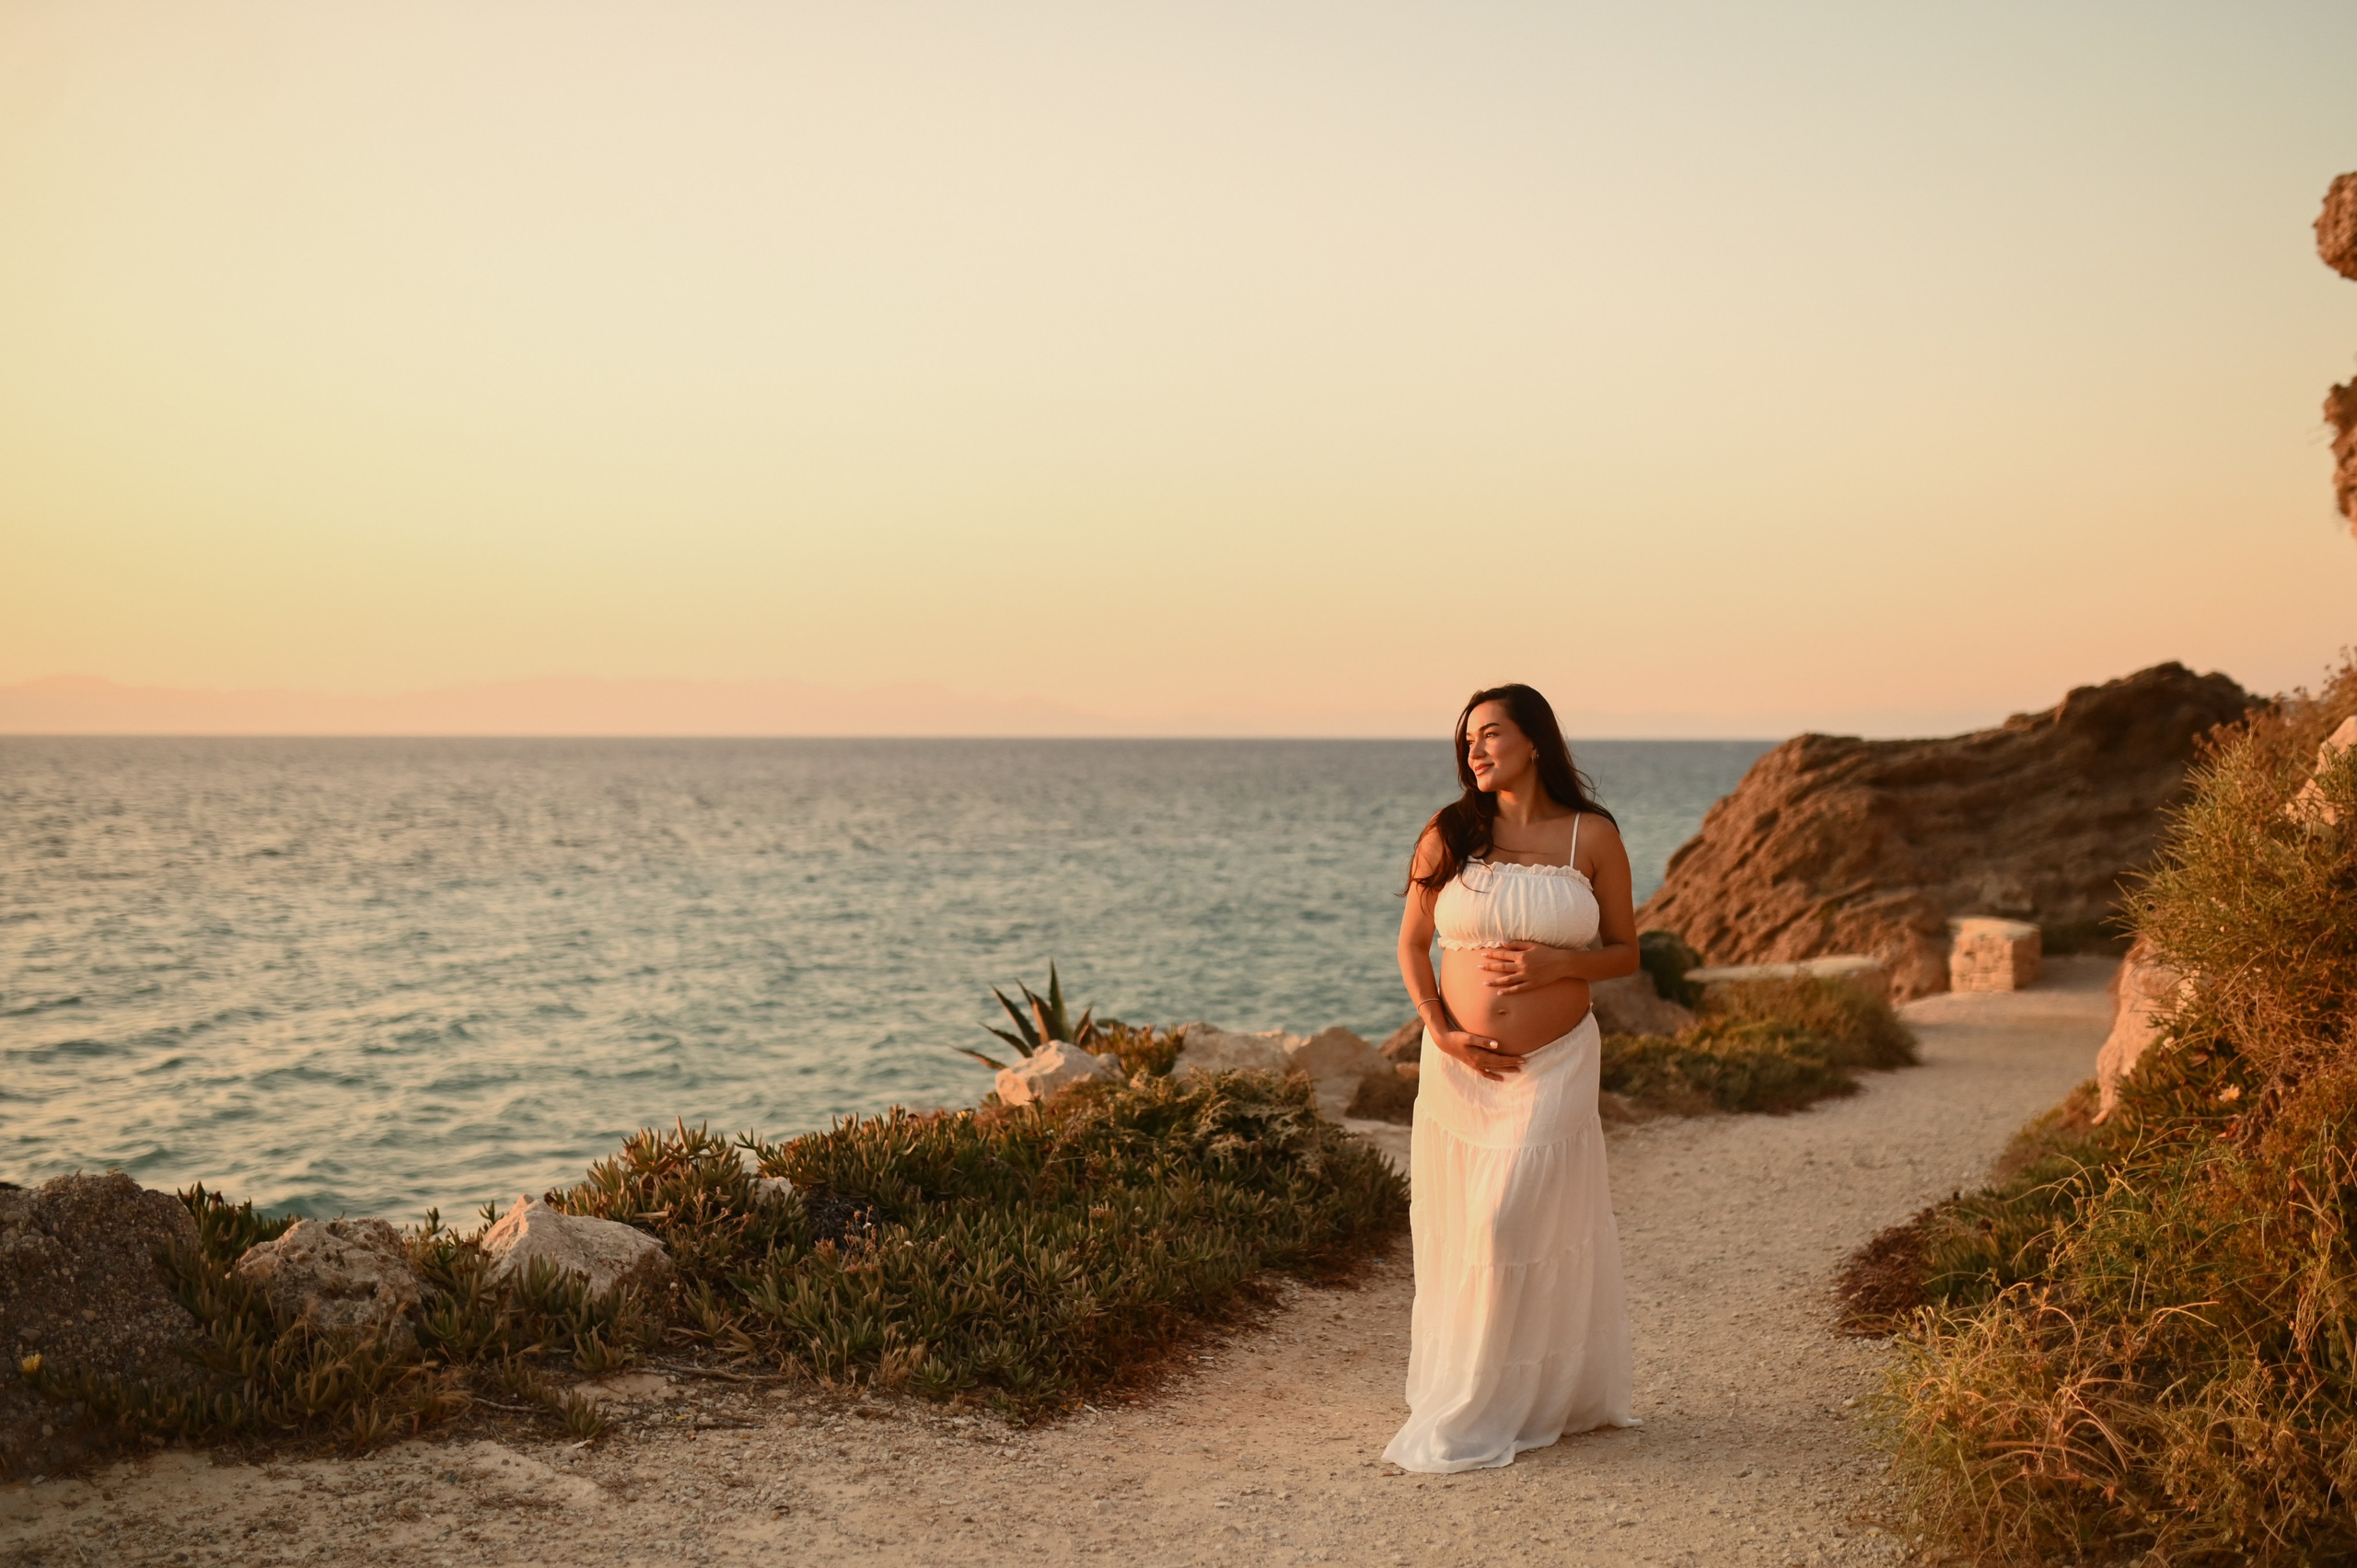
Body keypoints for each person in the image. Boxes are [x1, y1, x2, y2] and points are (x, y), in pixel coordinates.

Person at [1382, 682, 1641, 1472]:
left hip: (1555, 1064)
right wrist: (1444, 1032)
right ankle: (1480, 1384)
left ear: (1534, 739)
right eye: (1467, 742)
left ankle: (1496, 1400)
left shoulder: (1590, 837)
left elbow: (1627, 951)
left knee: (1507, 1225)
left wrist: (1563, 960)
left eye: (1491, 733)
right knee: (1471, 1226)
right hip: (1461, 1070)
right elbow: (1412, 946)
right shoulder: (1450, 833)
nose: (1477, 751)